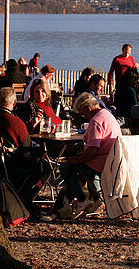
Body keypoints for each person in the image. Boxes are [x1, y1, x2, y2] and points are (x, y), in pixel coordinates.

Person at [46, 92, 121, 221]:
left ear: (88, 108)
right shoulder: (107, 114)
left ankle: (81, 199)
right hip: (111, 159)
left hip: (100, 161)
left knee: (66, 166)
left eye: (82, 112)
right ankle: (96, 198)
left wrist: (77, 159)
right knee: (75, 167)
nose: (83, 116)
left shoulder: (96, 121)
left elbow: (92, 150)